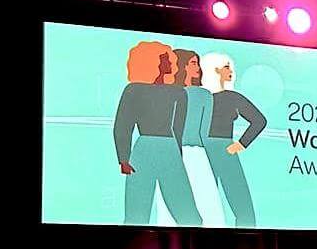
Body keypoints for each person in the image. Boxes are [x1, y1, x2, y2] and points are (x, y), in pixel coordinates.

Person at [113, 40, 203, 227]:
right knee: (137, 214)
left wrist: (177, 157)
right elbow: (123, 126)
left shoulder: (178, 93)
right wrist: (123, 158)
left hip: (162, 151)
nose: (171, 63)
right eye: (165, 59)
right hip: (149, 151)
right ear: (152, 62)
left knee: (187, 215)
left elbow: (178, 129)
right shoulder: (134, 90)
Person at [155, 48, 224, 228]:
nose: (197, 68)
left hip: (187, 155)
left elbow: (203, 133)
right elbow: (204, 133)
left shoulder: (202, 94)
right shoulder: (201, 95)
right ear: (181, 65)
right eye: (193, 63)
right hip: (186, 155)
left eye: (198, 63)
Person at [201, 52, 267, 228]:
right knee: (205, 202)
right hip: (204, 152)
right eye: (226, 67)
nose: (231, 71)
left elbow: (259, 121)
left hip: (225, 149)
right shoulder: (201, 97)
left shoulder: (233, 97)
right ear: (215, 70)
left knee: (242, 207)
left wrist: (240, 144)